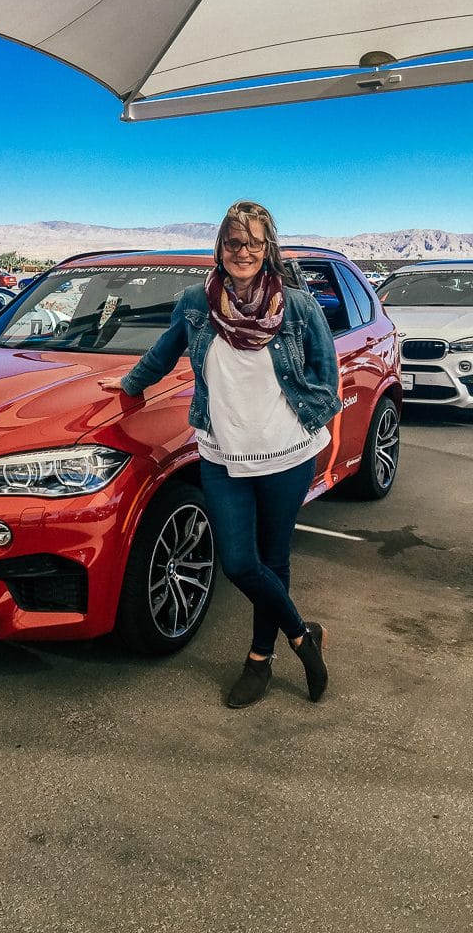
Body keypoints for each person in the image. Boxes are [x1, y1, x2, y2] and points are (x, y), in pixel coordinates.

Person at [100, 200, 341, 708]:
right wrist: (126, 387)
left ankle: (259, 659)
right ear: (221, 248)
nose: (244, 252)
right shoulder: (196, 302)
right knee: (238, 561)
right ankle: (302, 635)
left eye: (254, 242)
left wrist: (311, 419)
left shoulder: (296, 305)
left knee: (273, 559)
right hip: (222, 452)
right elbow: (163, 353)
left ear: (268, 247)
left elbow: (326, 370)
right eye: (234, 242)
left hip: (288, 452)